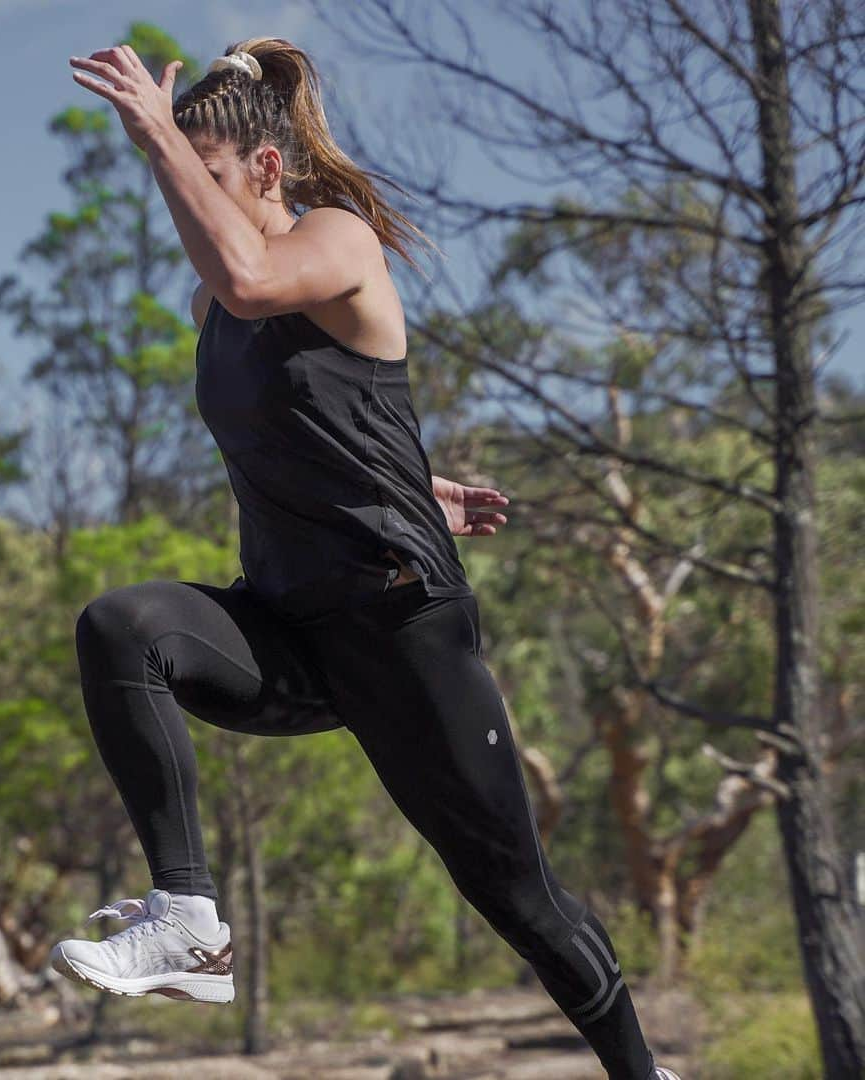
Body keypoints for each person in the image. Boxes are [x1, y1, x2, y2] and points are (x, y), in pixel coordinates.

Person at [53, 37, 682, 1080]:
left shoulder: (335, 240)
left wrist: (154, 127)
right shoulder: (208, 307)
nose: (182, 197)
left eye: (201, 174)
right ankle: (188, 921)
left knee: (516, 897)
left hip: (400, 625)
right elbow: (291, 425)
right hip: (292, 624)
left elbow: (262, 280)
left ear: (266, 169)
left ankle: (638, 1071)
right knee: (122, 627)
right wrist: (413, 482)